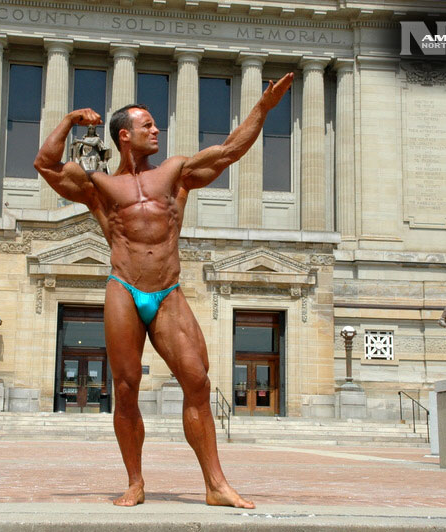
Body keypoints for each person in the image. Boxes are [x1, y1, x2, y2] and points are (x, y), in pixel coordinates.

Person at [34, 72, 293, 508]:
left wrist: (263, 109)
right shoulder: (99, 186)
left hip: (167, 291)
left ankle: (215, 484)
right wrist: (69, 119)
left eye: (155, 124)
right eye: (148, 125)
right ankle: (135, 482)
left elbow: (230, 150)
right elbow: (45, 164)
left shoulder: (175, 173)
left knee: (197, 381)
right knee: (125, 387)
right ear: (125, 135)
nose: (157, 130)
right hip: (123, 288)